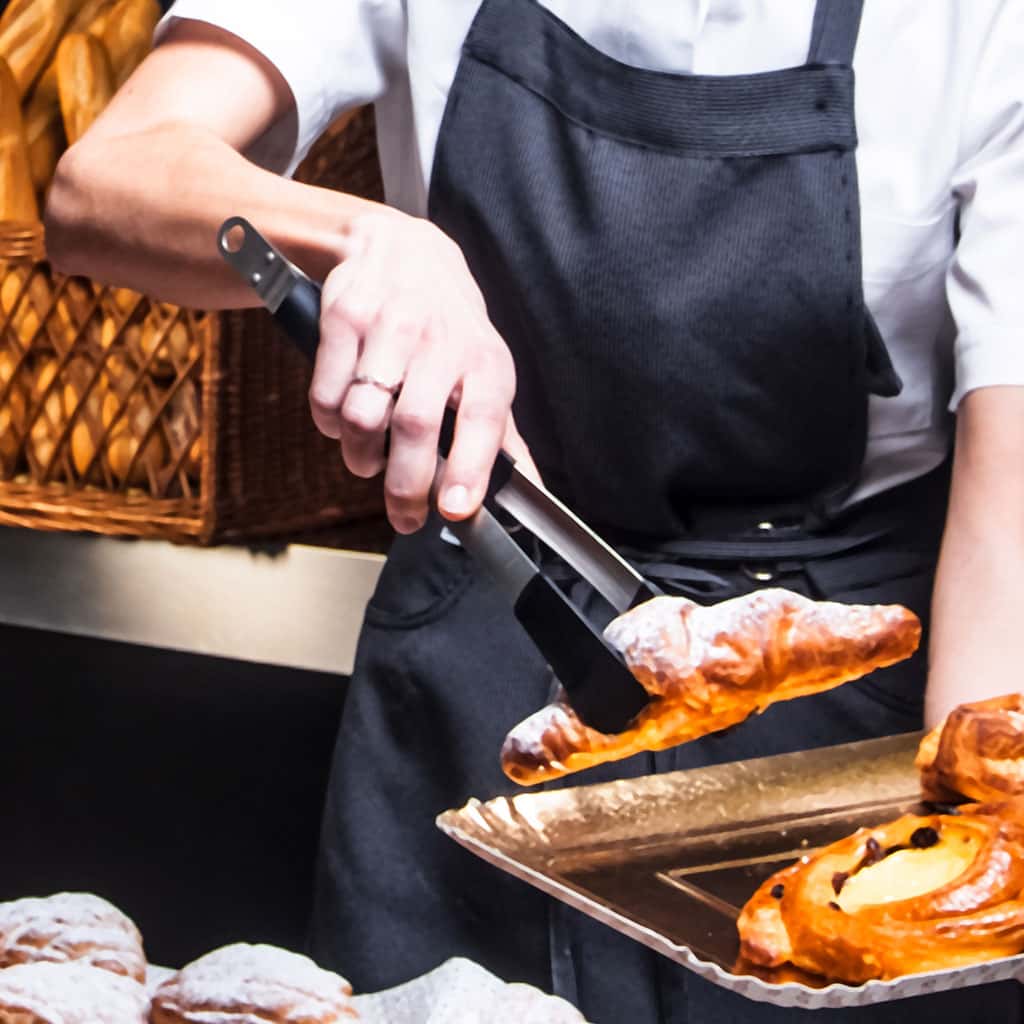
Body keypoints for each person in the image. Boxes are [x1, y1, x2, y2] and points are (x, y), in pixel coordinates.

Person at [45, 1, 1024, 1021]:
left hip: (825, 727)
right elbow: (105, 182)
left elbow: (1009, 532)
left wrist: (980, 862)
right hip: (479, 665)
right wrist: (371, 240)